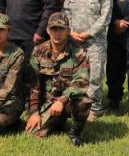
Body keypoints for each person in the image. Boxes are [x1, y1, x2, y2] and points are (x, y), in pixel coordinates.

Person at [25, 12, 92, 146]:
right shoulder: (38, 51)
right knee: (33, 133)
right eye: (53, 29)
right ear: (48, 31)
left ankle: (75, 132)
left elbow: (81, 82)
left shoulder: (79, 53)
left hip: (68, 102)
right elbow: (33, 85)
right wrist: (34, 112)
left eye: (61, 29)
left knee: (83, 101)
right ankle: (57, 121)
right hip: (47, 102)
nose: (57, 32)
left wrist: (62, 101)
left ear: (68, 31)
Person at [63, 0, 113, 122]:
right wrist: (69, 31)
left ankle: (95, 108)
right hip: (74, 41)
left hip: (94, 43)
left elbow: (105, 18)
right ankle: (75, 105)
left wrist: (89, 33)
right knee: (74, 74)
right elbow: (66, 13)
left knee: (95, 76)